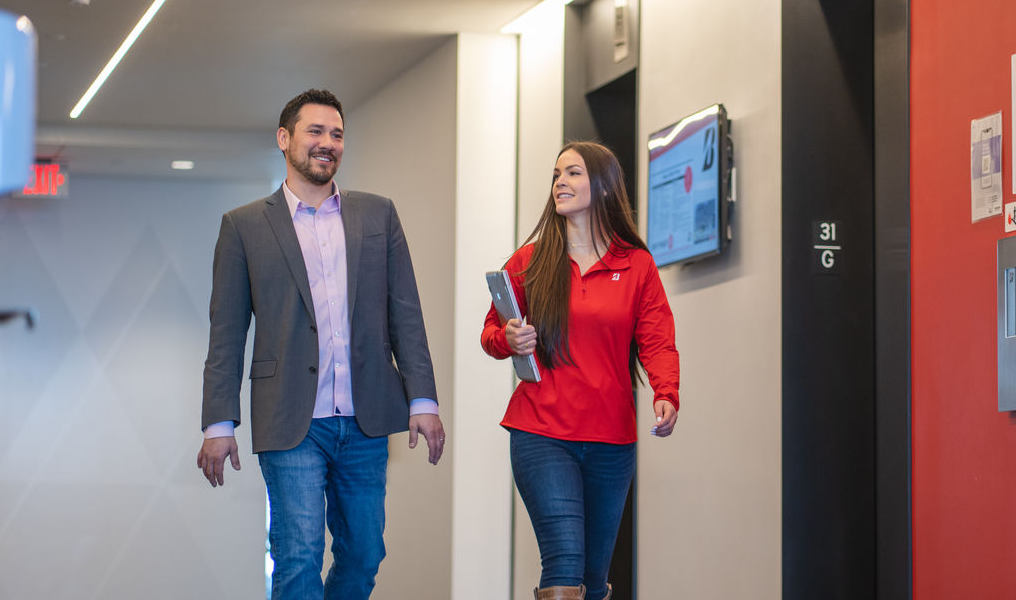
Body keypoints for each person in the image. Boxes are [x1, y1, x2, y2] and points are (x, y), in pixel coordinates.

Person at [197, 88, 445, 600]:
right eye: (315, 131)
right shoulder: (244, 226)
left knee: (364, 554)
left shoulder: (378, 215)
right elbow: (226, 333)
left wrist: (422, 399)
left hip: (365, 418)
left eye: (337, 134)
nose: (327, 143)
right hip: (291, 420)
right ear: (284, 139)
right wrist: (218, 424)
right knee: (298, 556)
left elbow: (405, 311)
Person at [481, 141, 680, 600]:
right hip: (542, 432)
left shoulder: (636, 265)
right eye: (556, 175)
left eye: (572, 173)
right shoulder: (529, 262)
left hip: (612, 439)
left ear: (604, 187)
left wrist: (666, 392)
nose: (560, 183)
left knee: (593, 575)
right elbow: (491, 332)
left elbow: (657, 338)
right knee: (564, 560)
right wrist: (509, 339)